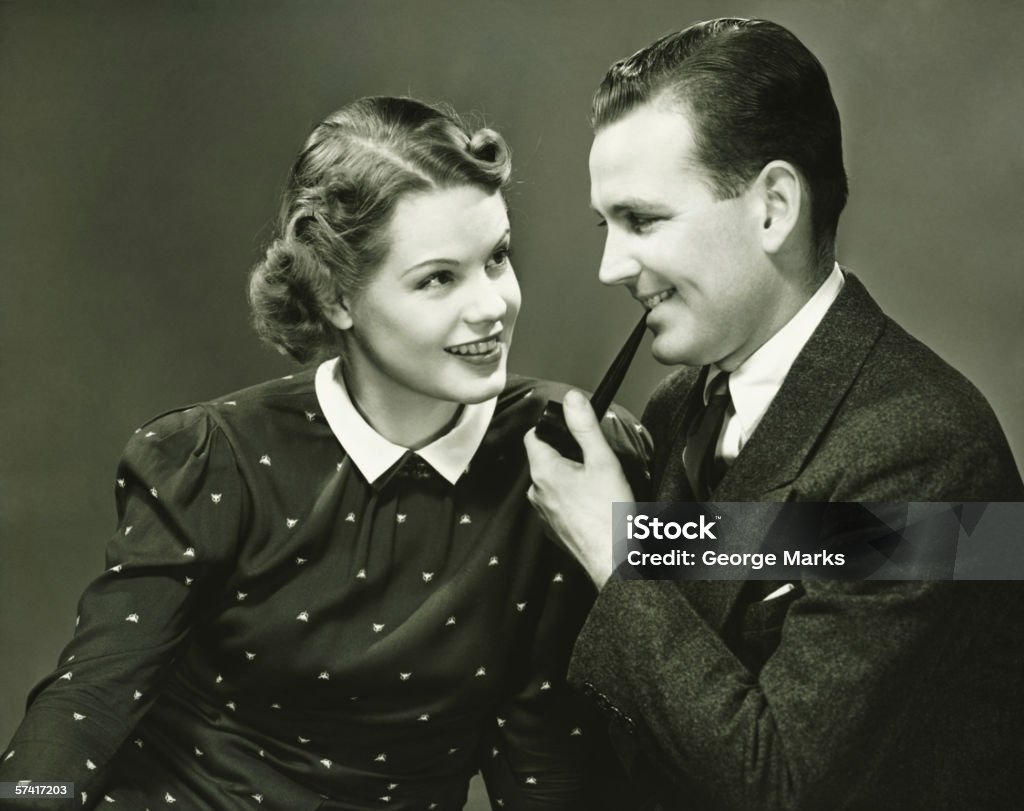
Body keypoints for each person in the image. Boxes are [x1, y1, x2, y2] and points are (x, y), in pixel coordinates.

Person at [0, 96, 649, 810]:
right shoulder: (213, 461)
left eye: (496, 257)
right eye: (439, 277)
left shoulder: (571, 453)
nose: (492, 304)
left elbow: (780, 546)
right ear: (338, 297)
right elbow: (85, 706)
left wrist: (625, 545)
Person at [524, 18, 1024, 811]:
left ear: (774, 208)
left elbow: (783, 782)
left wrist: (612, 547)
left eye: (643, 220)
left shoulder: (930, 455)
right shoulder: (681, 404)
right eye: (604, 224)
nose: (610, 265)